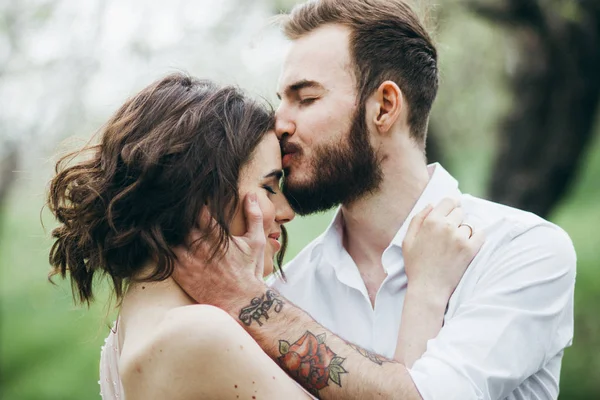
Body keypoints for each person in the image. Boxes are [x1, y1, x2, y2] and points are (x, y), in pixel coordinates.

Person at [173, 1, 577, 399]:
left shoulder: (521, 250)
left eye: (306, 98)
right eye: (281, 99)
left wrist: (245, 298)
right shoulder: (287, 290)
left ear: (384, 107)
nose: (279, 122)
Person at [47, 73, 481, 399]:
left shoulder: (129, 333)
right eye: (270, 186)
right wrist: (426, 290)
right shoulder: (198, 333)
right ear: (203, 194)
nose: (286, 210)